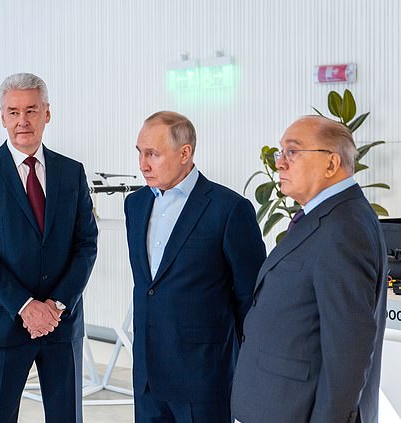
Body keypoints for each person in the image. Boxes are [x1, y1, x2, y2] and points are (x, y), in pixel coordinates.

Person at [0, 73, 98, 423]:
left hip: (61, 323)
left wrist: (55, 305)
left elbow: (86, 245)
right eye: (14, 111)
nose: (23, 121)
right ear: (2, 117)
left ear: (47, 114)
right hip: (4, 321)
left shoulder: (72, 172)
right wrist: (25, 306)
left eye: (32, 110)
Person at [230, 116, 387, 423]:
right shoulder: (324, 217)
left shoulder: (344, 227)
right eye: (281, 153)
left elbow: (348, 353)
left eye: (292, 152)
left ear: (331, 164)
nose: (280, 164)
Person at [124, 111, 266, 422]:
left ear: (185, 153)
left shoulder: (229, 210)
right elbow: (149, 287)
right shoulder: (134, 205)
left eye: (153, 154)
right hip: (147, 377)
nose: (142, 164)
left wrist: (250, 373)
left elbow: (251, 300)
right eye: (140, 153)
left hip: (204, 380)